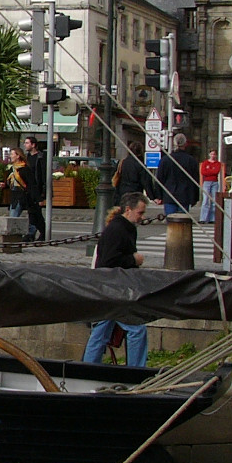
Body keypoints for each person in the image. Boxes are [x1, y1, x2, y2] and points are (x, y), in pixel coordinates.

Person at [83, 192, 151, 367]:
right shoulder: (118, 230)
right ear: (128, 210)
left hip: (110, 287)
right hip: (113, 289)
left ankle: (88, 367)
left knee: (101, 331)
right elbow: (108, 261)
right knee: (136, 329)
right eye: (140, 213)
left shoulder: (123, 228)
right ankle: (136, 370)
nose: (142, 217)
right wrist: (133, 260)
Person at [157, 133, 200, 218]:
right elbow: (195, 180)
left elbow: (160, 178)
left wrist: (159, 196)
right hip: (185, 195)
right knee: (182, 222)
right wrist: (195, 198)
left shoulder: (165, 160)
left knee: (171, 222)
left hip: (169, 194)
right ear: (185, 144)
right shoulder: (191, 160)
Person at [23, 135, 49, 242]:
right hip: (28, 189)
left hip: (37, 189)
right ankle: (32, 233)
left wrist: (43, 193)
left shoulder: (41, 157)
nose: (25, 145)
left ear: (33, 145)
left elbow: (43, 175)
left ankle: (42, 233)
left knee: (36, 213)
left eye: (27, 143)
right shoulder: (27, 157)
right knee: (32, 212)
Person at [5, 148, 35, 232]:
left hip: (22, 195)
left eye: (12, 154)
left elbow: (31, 183)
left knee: (13, 218)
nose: (10, 156)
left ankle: (31, 229)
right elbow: (11, 182)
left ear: (18, 156)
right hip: (14, 195)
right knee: (13, 216)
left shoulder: (24, 168)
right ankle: (31, 229)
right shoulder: (12, 168)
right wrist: (4, 185)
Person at [199, 149, 223, 224]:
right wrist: (211, 171)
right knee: (205, 200)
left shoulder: (218, 163)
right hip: (206, 182)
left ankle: (212, 218)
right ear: (209, 154)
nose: (213, 156)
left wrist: (209, 171)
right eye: (211, 154)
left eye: (214, 154)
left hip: (214, 182)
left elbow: (216, 171)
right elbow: (203, 172)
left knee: (214, 200)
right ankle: (203, 218)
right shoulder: (205, 163)